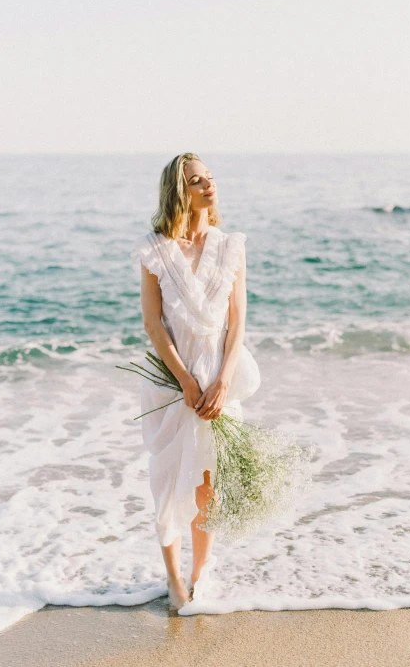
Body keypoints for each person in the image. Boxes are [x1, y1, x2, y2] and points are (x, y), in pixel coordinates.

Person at [131, 152, 261, 609]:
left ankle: (200, 575)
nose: (209, 186)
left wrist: (222, 382)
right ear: (177, 191)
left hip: (217, 378)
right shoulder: (155, 250)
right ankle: (172, 578)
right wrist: (184, 380)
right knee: (167, 479)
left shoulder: (230, 247)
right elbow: (153, 325)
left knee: (209, 484)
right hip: (172, 380)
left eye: (210, 178)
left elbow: (239, 321)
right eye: (196, 181)